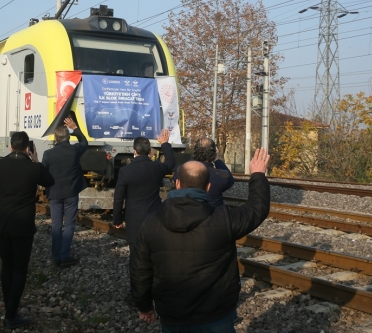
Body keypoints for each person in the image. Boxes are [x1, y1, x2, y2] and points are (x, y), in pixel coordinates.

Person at [131, 149, 271, 333]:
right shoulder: (223, 218)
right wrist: (258, 175)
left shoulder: (151, 221)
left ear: (178, 184)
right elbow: (256, 209)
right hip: (216, 314)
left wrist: (144, 306)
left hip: (173, 315)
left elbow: (140, 269)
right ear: (207, 187)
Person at [0, 131, 55, 329]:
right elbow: (50, 181)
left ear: (10, 146)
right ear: (28, 148)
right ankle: (11, 314)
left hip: (3, 223)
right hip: (23, 226)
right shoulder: (33, 168)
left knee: (7, 266)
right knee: (20, 269)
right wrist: (36, 160)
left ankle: (8, 308)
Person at [112, 130, 175, 276]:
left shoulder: (125, 171)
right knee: (154, 254)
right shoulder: (157, 167)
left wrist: (117, 219)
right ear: (150, 152)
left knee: (136, 257)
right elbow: (171, 162)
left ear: (134, 151)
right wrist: (165, 143)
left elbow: (119, 197)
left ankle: (137, 292)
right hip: (155, 218)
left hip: (134, 219)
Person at [41, 117, 88, 267]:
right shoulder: (74, 150)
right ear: (68, 138)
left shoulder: (48, 154)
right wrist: (75, 128)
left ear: (55, 139)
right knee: (69, 225)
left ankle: (56, 256)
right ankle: (64, 255)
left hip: (54, 194)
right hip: (71, 193)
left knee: (56, 225)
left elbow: (43, 173)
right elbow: (84, 142)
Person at [173, 138, 234, 207]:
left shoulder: (180, 170)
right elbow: (230, 181)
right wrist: (218, 160)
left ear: (195, 151)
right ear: (213, 154)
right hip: (212, 213)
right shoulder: (221, 176)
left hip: (185, 210)